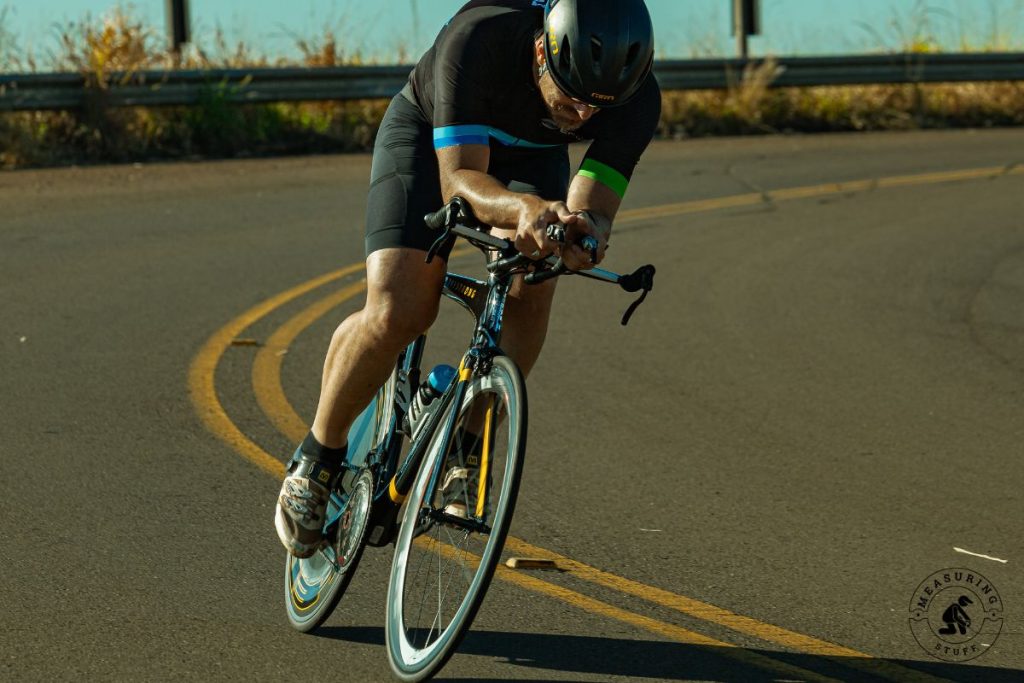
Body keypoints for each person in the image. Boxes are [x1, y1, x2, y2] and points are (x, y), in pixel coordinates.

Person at [275, 0, 661, 558]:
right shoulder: (477, 39)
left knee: (536, 282)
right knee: (402, 308)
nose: (581, 115)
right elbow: (460, 183)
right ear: (539, 51)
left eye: (599, 108)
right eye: (570, 96)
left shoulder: (637, 96)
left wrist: (584, 233)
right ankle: (318, 457)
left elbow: (593, 206)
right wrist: (524, 210)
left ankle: (467, 442)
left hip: (532, 159)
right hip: (433, 140)